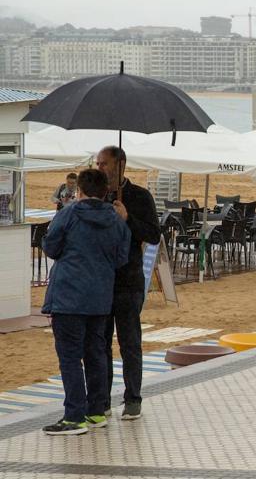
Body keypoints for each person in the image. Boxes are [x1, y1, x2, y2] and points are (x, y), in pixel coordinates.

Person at [41, 169, 130, 435]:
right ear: (105, 191)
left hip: (69, 296)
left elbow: (50, 247)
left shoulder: (69, 213)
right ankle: (96, 411)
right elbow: (121, 258)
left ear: (79, 190)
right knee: (96, 353)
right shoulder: (116, 220)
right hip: (100, 297)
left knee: (69, 357)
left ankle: (74, 416)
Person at [95, 146, 161, 420]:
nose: (100, 168)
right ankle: (102, 400)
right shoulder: (96, 196)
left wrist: (127, 218)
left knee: (129, 342)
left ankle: (132, 398)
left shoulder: (140, 196)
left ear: (120, 164)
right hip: (100, 282)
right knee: (99, 344)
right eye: (97, 164)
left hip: (129, 281)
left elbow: (153, 235)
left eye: (104, 164)